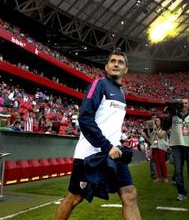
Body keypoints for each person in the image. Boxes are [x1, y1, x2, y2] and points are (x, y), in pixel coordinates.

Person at [56, 52, 141, 220]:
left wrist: (114, 146)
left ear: (126, 69)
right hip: (89, 154)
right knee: (74, 198)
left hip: (114, 153)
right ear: (106, 67)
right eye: (113, 61)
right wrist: (107, 146)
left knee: (129, 194)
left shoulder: (122, 94)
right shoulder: (99, 84)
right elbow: (84, 118)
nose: (116, 64)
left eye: (120, 62)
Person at [166, 99, 189, 201]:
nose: (184, 105)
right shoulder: (173, 116)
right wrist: (169, 113)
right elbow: (165, 127)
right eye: (182, 103)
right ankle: (181, 193)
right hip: (177, 146)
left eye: (186, 103)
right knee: (177, 171)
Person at [148, 117, 169, 183]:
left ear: (161, 122)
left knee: (162, 162)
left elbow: (160, 136)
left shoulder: (164, 128)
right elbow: (150, 136)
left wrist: (155, 129)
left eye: (157, 121)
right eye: (156, 121)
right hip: (155, 146)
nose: (156, 122)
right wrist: (149, 128)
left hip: (161, 146)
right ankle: (159, 177)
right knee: (156, 162)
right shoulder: (155, 129)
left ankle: (165, 177)